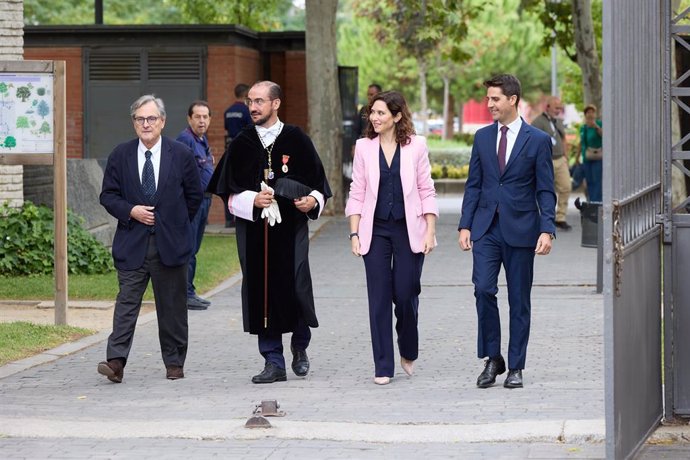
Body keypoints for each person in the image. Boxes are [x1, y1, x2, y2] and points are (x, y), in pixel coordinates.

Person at [208, 81, 332, 384]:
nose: (253, 107)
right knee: (261, 292)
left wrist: (310, 201)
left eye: (260, 101)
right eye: (250, 101)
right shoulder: (242, 143)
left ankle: (299, 346)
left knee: (296, 286)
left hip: (291, 231)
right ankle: (273, 361)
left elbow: (320, 186)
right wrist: (253, 199)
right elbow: (228, 192)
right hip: (255, 235)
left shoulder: (296, 139)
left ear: (275, 104)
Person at [458, 74, 556, 389]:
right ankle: (492, 358)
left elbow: (545, 189)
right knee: (483, 289)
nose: (490, 105)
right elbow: (473, 185)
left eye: (495, 99)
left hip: (522, 230)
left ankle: (515, 366)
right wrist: (465, 224)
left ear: (512, 99)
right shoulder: (482, 138)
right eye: (488, 99)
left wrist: (547, 228)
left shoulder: (538, 140)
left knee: (519, 300)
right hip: (486, 229)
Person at [98, 94, 203, 383]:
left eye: (151, 118)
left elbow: (194, 196)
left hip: (170, 245)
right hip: (132, 244)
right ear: (134, 123)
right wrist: (130, 210)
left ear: (163, 121)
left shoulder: (180, 154)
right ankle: (115, 362)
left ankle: (174, 362)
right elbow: (107, 195)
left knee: (172, 308)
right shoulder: (120, 154)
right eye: (140, 119)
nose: (146, 124)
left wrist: (174, 222)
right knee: (126, 304)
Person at [345, 91, 438, 386]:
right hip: (376, 230)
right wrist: (355, 232)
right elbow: (357, 192)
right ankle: (383, 365)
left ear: (397, 116)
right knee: (380, 298)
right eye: (372, 113)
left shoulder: (416, 146)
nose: (374, 118)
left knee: (407, 292)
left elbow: (426, 190)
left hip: (409, 229)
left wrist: (431, 231)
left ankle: (408, 348)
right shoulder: (363, 147)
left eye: (381, 113)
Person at [176, 100, 214, 311]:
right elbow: (181, 173)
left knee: (194, 248)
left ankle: (190, 291)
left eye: (205, 117)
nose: (201, 120)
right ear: (189, 118)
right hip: (192, 204)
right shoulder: (185, 140)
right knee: (188, 248)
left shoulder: (201, 140)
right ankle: (184, 295)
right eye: (197, 117)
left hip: (205, 201)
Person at [530, 96, 572, 230]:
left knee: (566, 187)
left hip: (560, 159)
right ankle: (546, 218)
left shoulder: (558, 121)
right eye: (556, 108)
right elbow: (532, 141)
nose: (558, 110)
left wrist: (566, 156)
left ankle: (560, 217)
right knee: (546, 190)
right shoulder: (538, 122)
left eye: (560, 108)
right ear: (547, 107)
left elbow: (564, 139)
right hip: (546, 161)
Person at [223, 83, 252, 227]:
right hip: (243, 151)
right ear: (246, 95)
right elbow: (250, 130)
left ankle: (229, 219)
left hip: (230, 150)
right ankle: (241, 215)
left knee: (229, 183)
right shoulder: (246, 111)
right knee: (242, 184)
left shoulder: (228, 111)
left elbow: (227, 130)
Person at [580, 104, 603, 202]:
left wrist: (596, 127)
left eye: (592, 112)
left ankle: (596, 202)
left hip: (597, 157)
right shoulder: (584, 127)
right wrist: (577, 157)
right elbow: (581, 143)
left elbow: (604, 136)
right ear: (585, 114)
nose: (590, 114)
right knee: (588, 181)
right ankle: (590, 201)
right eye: (588, 112)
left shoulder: (599, 124)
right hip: (587, 157)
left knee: (597, 181)